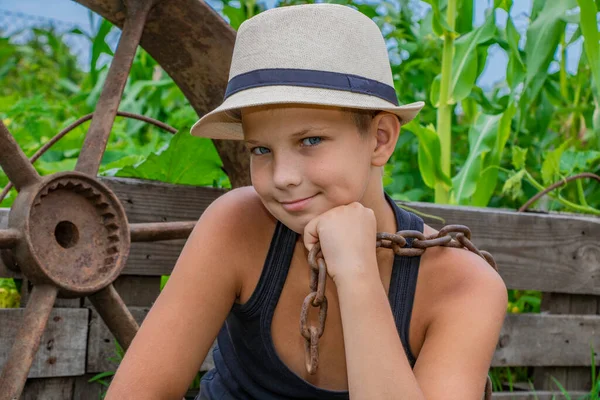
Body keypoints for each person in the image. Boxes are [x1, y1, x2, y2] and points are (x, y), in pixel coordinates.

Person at [105, 3, 507, 399]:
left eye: (310, 140)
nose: (282, 177)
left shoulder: (463, 287)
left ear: (380, 139)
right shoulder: (238, 227)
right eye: (260, 150)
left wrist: (356, 274)